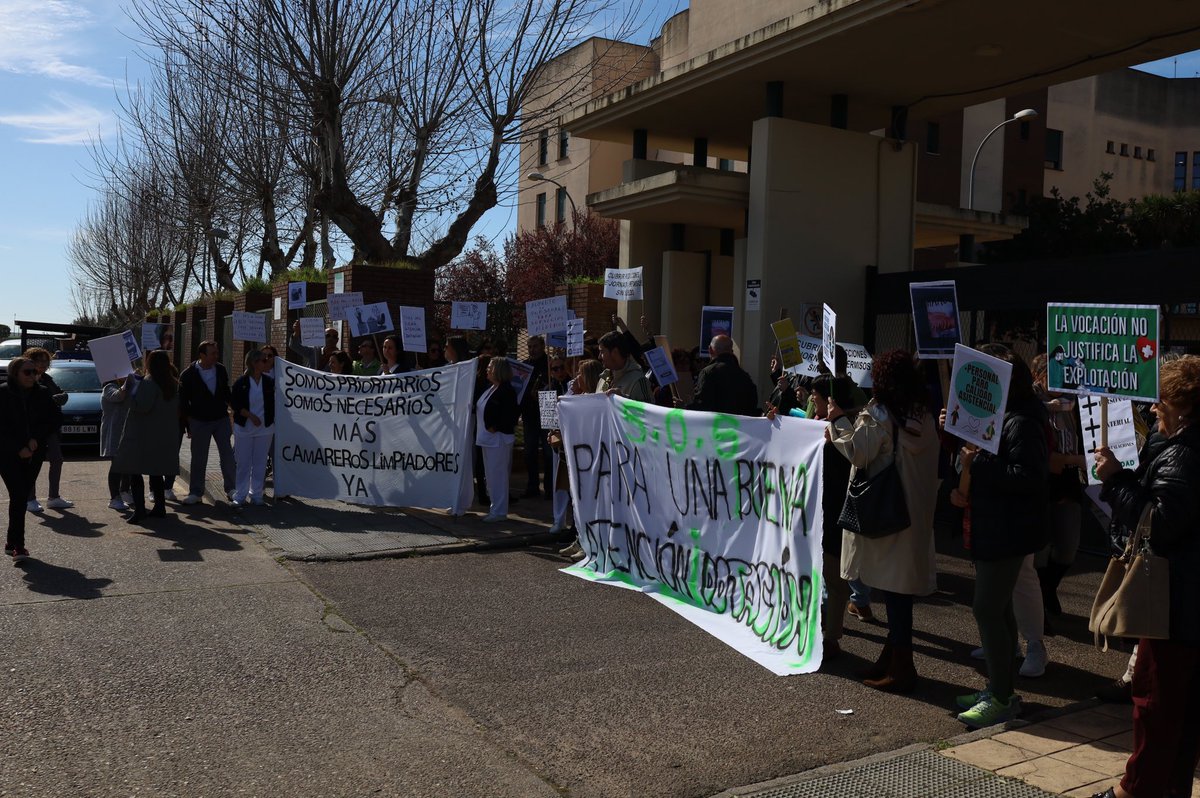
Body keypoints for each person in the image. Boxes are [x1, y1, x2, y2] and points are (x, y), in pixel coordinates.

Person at [1089, 356, 1200, 798]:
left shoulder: (1184, 455)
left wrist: (1115, 482)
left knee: (1155, 705)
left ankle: (1134, 791)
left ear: (1182, 407)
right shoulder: (1179, 449)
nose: (1153, 409)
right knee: (1182, 712)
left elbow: (1161, 522)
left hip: (1174, 603)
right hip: (1188, 603)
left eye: (1160, 402)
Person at [829, 348, 939, 693]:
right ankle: (893, 655)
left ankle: (902, 665)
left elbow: (859, 453)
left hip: (887, 513)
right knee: (900, 590)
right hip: (913, 513)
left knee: (893, 593)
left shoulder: (878, 413)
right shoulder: (922, 413)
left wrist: (837, 422)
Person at [951, 345, 1050, 729]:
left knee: (987, 608)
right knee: (1000, 610)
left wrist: (981, 465)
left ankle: (1002, 696)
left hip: (1008, 531)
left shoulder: (1022, 421)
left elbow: (1028, 477)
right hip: (993, 527)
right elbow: (968, 464)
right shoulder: (1001, 417)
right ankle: (1000, 688)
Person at [1030, 352, 1085, 629]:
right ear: (1038, 376)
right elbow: (1047, 459)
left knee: (1067, 548)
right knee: (1039, 551)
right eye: (1054, 374)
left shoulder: (1074, 403)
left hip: (1069, 482)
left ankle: (1047, 588)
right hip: (1042, 482)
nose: (1062, 380)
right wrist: (1077, 460)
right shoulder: (1032, 405)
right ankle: (1038, 608)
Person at [812, 374, 859, 663]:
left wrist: (834, 437)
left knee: (833, 577)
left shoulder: (848, 429)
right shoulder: (818, 425)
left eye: (816, 397)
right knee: (817, 574)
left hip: (834, 512)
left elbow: (853, 460)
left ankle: (832, 638)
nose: (811, 401)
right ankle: (816, 627)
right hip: (814, 512)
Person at [114, 350, 181, 523]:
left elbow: (141, 406)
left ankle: (140, 510)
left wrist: (128, 392)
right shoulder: (172, 382)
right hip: (164, 434)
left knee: (134, 471)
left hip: (142, 434)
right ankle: (160, 507)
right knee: (156, 472)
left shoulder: (149, 382)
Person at [2, 357, 56, 561]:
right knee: (18, 495)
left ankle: (11, 541)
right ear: (15, 373)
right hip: (7, 454)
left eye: (35, 372)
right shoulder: (3, 393)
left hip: (35, 453)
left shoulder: (41, 393)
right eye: (28, 372)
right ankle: (18, 545)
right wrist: (18, 447)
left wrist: (36, 438)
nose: (33, 376)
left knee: (21, 496)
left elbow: (54, 418)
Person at [177, 341, 236, 505]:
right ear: (202, 355)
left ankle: (231, 489)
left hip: (221, 419)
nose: (216, 356)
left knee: (227, 455)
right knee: (198, 458)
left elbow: (226, 392)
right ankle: (196, 492)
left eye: (216, 353)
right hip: (199, 421)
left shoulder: (221, 369)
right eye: (213, 353)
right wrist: (189, 425)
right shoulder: (187, 375)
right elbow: (183, 403)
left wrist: (234, 409)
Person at [558, 359, 604, 559]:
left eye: (581, 373)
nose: (576, 377)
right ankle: (580, 538)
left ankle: (589, 544)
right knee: (578, 500)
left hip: (591, 457)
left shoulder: (596, 400)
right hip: (577, 456)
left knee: (591, 501)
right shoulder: (580, 397)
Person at [22, 347, 70, 512]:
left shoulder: (47, 378)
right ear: (30, 360)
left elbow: (58, 394)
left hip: (50, 427)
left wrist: (62, 396)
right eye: (39, 360)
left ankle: (54, 497)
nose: (43, 364)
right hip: (33, 429)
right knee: (32, 462)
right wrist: (52, 400)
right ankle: (30, 499)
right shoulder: (27, 379)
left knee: (57, 459)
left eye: (45, 361)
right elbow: (31, 403)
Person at [229, 349, 275, 508]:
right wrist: (250, 415)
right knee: (243, 462)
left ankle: (256, 494)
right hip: (245, 427)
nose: (267, 362)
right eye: (263, 360)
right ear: (255, 363)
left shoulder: (269, 382)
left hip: (265, 429)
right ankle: (240, 494)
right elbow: (234, 403)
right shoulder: (241, 382)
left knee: (260, 462)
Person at [476, 357, 519, 523]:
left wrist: (495, 426)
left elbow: (510, 415)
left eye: (490, 367)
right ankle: (495, 508)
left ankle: (499, 511)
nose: (487, 370)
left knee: (498, 476)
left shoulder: (507, 390)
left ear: (498, 370)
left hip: (498, 439)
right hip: (487, 439)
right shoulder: (491, 388)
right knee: (491, 476)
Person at [686, 335, 759, 415]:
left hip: (715, 425)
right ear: (731, 351)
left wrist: (685, 407)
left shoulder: (708, 373)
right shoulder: (744, 375)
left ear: (710, 350)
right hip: (738, 426)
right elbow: (752, 404)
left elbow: (702, 405)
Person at [521, 336, 551, 499]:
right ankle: (532, 486)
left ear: (543, 346)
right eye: (529, 346)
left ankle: (549, 487)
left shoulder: (549, 363)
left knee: (548, 452)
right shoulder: (525, 365)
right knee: (529, 452)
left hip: (546, 411)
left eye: (535, 346)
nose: (532, 349)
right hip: (530, 413)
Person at [101, 374, 134, 511]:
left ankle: (125, 491)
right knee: (117, 465)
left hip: (126, 431)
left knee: (127, 463)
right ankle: (114, 498)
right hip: (114, 432)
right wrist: (127, 383)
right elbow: (118, 396)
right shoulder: (109, 387)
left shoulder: (127, 388)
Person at [595, 331, 652, 401]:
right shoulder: (603, 378)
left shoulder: (638, 380)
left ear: (615, 352)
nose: (599, 357)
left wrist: (622, 399)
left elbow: (647, 409)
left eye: (602, 352)